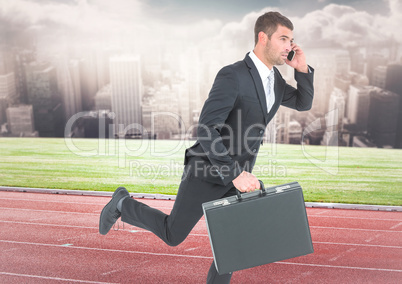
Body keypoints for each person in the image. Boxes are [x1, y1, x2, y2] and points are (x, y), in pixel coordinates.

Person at [99, 11, 314, 284]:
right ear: (263, 37)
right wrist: (234, 172)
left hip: (241, 177)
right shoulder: (233, 75)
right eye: (283, 38)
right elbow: (206, 128)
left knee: (232, 248)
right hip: (207, 169)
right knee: (173, 235)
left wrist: (303, 69)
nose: (289, 46)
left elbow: (303, 103)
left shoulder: (276, 81)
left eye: (291, 40)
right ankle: (121, 204)